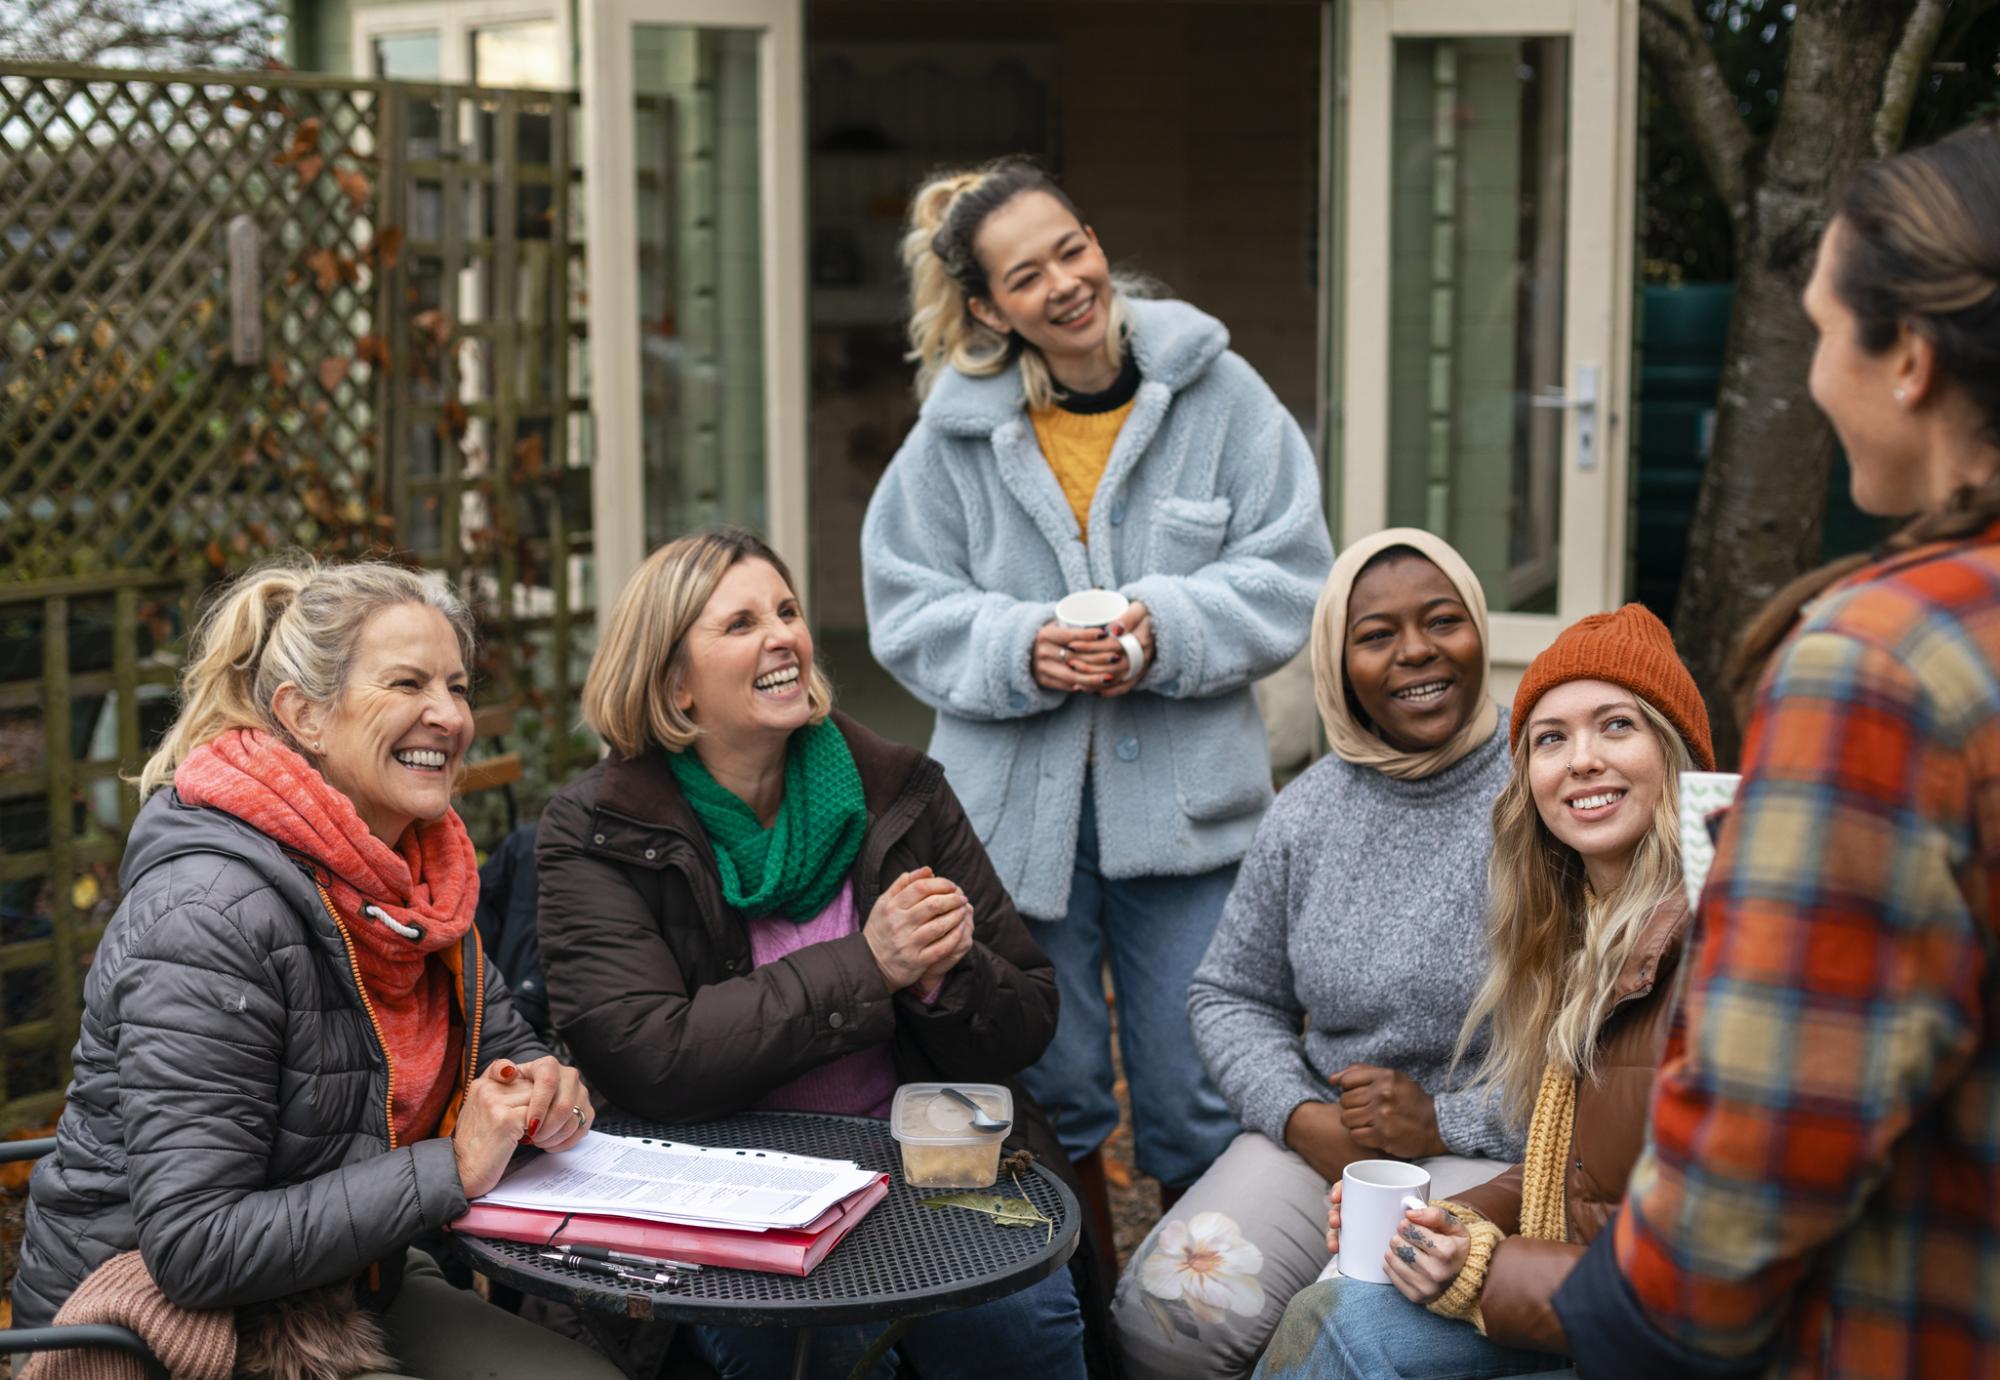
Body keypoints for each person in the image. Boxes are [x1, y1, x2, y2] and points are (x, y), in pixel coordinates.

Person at [1553, 127, 2000, 1379]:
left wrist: (1629, 1322)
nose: (1808, 376)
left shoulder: (1882, 661)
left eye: (1817, 333)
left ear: (1906, 356)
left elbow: (1772, 1120)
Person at [861, 158, 1334, 1236]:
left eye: (1072, 249)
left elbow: (1294, 571)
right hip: (1012, 832)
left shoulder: (1220, 392)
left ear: (1094, 239)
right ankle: (1080, 1326)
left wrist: (1161, 629)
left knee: (1201, 1088)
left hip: (1190, 820)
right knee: (1049, 1090)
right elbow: (903, 602)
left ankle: (1194, 1321)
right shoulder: (952, 431)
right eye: (1026, 277)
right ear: (989, 307)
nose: (1066, 283)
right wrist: (1018, 645)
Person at [12, 557, 620, 1380]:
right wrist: (455, 1165)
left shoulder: (422, 887)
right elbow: (193, 1247)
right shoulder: (211, 911)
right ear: (305, 715)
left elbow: (502, 1062)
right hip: (164, 1326)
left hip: (352, 1283)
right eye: (406, 684)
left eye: (458, 686)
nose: (447, 715)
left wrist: (546, 1089)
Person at [535, 527, 1090, 1380]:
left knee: (1023, 1328)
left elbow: (1025, 1022)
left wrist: (948, 974)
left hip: (921, 1166)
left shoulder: (900, 789)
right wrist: (870, 968)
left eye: (787, 611)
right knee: (818, 1352)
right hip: (725, 1191)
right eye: (741, 623)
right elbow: (651, 1055)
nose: (783, 636)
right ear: (674, 686)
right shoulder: (600, 828)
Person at [1256, 602, 1714, 1380]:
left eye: (1617, 726)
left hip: (1659, 1346)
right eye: (1551, 738)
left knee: (1345, 1335)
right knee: (1329, 1311)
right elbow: (1568, 1176)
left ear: (1677, 756)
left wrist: (1482, 1270)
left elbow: (1704, 1273)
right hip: (1585, 1300)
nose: (1581, 760)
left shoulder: (1712, 949)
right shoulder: (1583, 935)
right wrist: (1444, 1225)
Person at [1111, 529, 1524, 1379]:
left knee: (1335, 1336)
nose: (1417, 652)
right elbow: (1230, 994)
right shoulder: (1308, 811)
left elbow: (1602, 1049)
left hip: (1498, 1153)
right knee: (1167, 1314)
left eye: (1442, 621)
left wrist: (1439, 1121)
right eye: (1376, 636)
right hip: (1327, 1141)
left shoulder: (1542, 784)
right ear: (1338, 662)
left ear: (1481, 630)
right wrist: (1306, 1121)